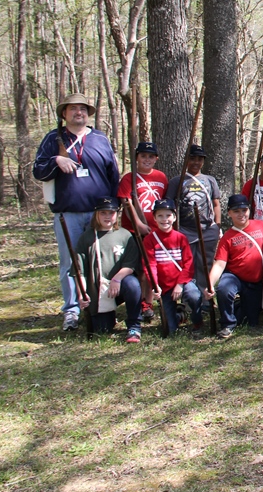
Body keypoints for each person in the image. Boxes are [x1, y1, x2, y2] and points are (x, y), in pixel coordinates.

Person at [32, 93, 120, 331]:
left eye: (82, 108)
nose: (78, 112)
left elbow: (113, 174)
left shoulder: (100, 138)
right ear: (64, 114)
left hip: (99, 213)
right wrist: (55, 161)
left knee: (102, 261)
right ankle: (71, 310)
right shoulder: (53, 138)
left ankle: (102, 306)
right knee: (70, 262)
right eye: (73, 109)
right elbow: (38, 171)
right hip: (67, 213)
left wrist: (113, 206)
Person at [74, 197, 143, 342]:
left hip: (121, 284)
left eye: (111, 213)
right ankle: (107, 315)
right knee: (102, 330)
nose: (107, 216)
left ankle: (134, 326)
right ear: (96, 214)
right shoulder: (87, 238)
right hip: (98, 289)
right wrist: (82, 294)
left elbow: (130, 265)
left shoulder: (125, 235)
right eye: (103, 213)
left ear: (117, 214)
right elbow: (79, 271)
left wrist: (117, 279)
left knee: (133, 285)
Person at [204, 194, 263, 338]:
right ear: (229, 213)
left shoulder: (262, 226)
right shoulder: (227, 237)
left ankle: (237, 307)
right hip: (235, 276)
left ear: (249, 210)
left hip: (255, 280)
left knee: (251, 321)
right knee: (224, 289)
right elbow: (220, 263)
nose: (241, 214)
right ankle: (227, 324)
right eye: (236, 211)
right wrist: (210, 284)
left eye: (244, 210)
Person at [118, 140, 169, 322]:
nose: (147, 159)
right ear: (137, 158)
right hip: (134, 231)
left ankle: (148, 302)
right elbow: (126, 203)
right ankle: (137, 302)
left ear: (156, 158)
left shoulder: (161, 177)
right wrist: (138, 224)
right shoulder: (129, 178)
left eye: (150, 156)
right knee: (138, 269)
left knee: (150, 268)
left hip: (155, 232)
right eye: (143, 156)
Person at [165, 145, 221, 292]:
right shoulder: (177, 181)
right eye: (192, 158)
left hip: (208, 229)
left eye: (200, 159)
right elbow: (170, 205)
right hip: (185, 229)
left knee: (205, 262)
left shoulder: (210, 180)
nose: (196, 162)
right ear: (186, 160)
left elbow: (216, 203)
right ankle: (189, 295)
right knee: (187, 263)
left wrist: (218, 225)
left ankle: (205, 294)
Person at [143, 199, 202, 334]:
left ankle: (197, 321)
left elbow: (188, 263)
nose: (165, 219)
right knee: (171, 331)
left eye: (168, 215)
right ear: (154, 218)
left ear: (174, 217)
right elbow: (149, 264)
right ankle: (178, 316)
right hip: (164, 286)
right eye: (160, 216)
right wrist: (155, 284)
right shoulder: (149, 240)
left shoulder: (181, 238)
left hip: (182, 282)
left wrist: (180, 284)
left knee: (194, 296)